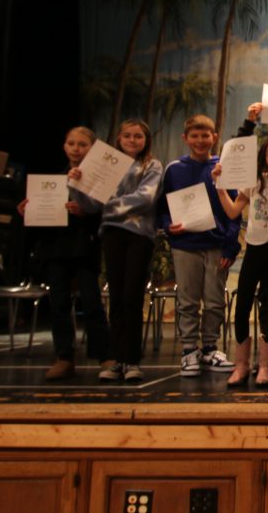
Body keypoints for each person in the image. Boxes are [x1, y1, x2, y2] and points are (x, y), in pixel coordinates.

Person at [17, 126, 110, 380]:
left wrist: (85, 211)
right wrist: (29, 210)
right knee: (58, 303)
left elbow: (107, 215)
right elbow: (42, 213)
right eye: (72, 144)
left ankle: (104, 356)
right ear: (64, 146)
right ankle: (64, 357)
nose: (76, 149)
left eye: (82, 144)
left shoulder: (100, 181)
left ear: (92, 149)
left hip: (84, 246)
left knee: (92, 302)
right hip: (55, 247)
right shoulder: (53, 180)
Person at [212, 136, 268, 385]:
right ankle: (241, 364)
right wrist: (220, 187)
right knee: (242, 304)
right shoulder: (253, 180)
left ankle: (266, 365)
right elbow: (233, 211)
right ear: (264, 155)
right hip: (253, 248)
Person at [157, 115, 241, 377]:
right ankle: (189, 351)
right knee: (188, 301)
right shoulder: (174, 169)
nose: (200, 140)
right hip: (185, 244)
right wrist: (168, 224)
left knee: (215, 301)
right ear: (186, 139)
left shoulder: (223, 167)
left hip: (216, 245)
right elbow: (162, 208)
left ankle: (209, 348)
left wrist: (230, 247)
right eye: (195, 136)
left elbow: (234, 212)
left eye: (206, 135)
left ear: (214, 137)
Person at [94, 120, 163, 382]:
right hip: (112, 235)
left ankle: (132, 359)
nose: (133, 140)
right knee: (117, 296)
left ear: (146, 140)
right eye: (127, 136)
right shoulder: (107, 167)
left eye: (138, 136)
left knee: (132, 296)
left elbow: (145, 198)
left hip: (139, 236)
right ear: (118, 138)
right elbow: (91, 199)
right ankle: (116, 360)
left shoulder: (152, 166)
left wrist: (108, 206)